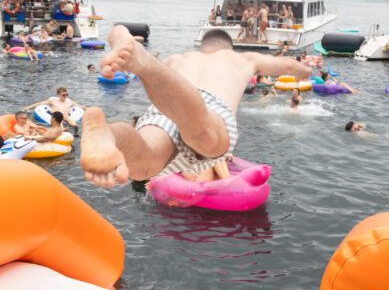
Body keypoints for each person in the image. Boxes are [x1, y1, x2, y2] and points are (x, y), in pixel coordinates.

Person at [79, 26, 311, 188]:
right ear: (227, 47)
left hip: (166, 100)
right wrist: (305, 71)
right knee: (207, 137)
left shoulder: (178, 58)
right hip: (206, 105)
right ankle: (146, 65)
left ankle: (109, 135)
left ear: (203, 45)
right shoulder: (243, 58)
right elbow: (288, 66)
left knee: (144, 166)